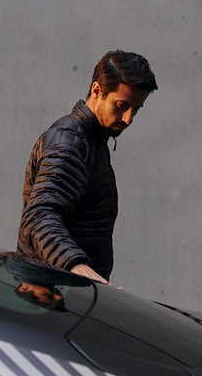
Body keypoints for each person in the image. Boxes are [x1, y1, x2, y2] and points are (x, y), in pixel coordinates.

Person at [17, 50, 157, 285]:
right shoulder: (69, 144)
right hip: (51, 295)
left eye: (136, 109)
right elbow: (40, 217)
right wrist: (76, 266)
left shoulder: (91, 140)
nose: (128, 119)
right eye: (121, 105)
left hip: (67, 293)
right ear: (96, 91)